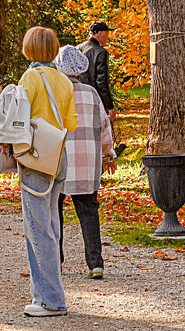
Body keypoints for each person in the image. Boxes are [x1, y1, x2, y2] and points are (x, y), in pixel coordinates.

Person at [0, 26, 78, 318]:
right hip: (58, 157)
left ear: (30, 49)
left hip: (36, 160)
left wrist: (2, 96)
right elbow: (71, 123)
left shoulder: (30, 77)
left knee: (38, 231)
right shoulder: (64, 80)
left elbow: (17, 119)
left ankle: (51, 299)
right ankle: (45, 295)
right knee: (50, 226)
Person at [56, 44, 117, 279]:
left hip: (59, 162)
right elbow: (104, 128)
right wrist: (107, 156)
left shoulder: (55, 93)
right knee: (89, 212)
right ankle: (95, 263)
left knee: (55, 213)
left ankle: (56, 261)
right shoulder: (91, 93)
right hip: (87, 164)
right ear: (81, 70)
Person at [77, 21, 116, 122]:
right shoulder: (101, 52)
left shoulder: (78, 48)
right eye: (107, 35)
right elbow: (101, 82)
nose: (108, 38)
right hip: (95, 101)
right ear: (100, 34)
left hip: (78, 98)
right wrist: (110, 106)